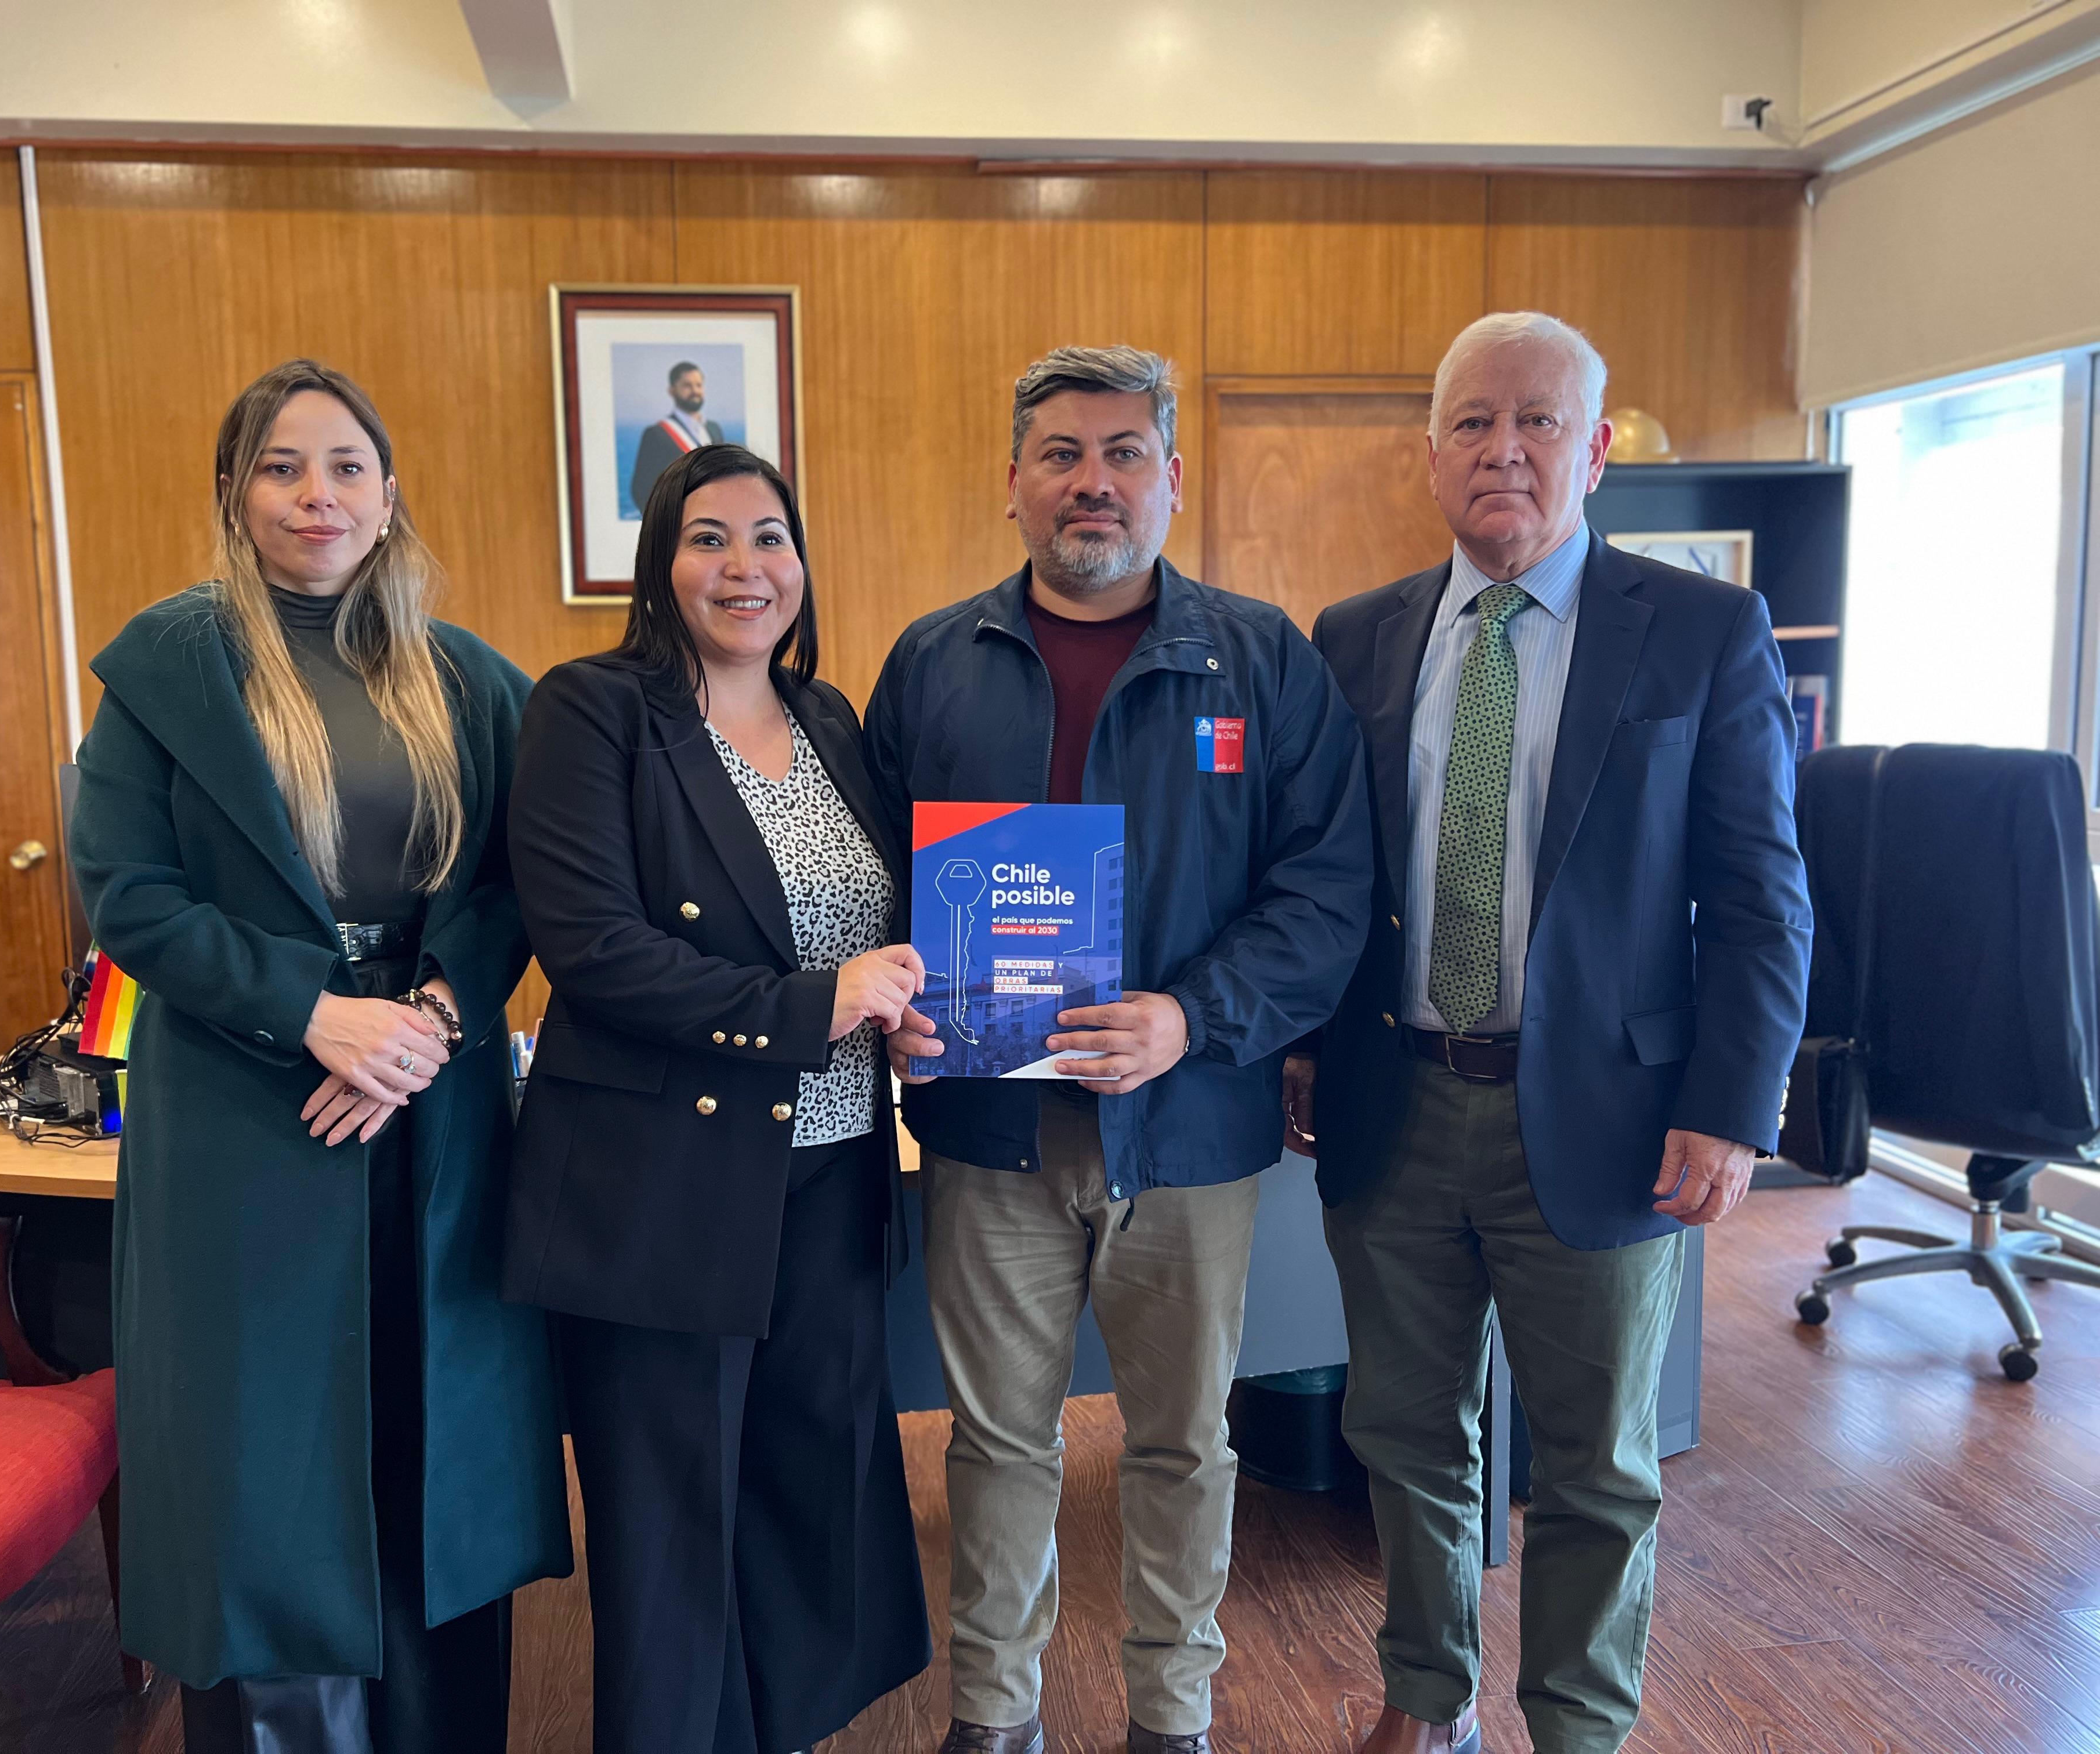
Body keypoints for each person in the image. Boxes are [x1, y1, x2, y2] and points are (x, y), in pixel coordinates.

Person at [1288, 311, 1812, 1754]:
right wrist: (1305, 1044)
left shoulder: (1703, 631)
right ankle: (1426, 1696)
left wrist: (1735, 1104)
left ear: (1595, 450)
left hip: (1614, 1116)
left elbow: (1763, 897)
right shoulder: (1357, 635)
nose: (1503, 450)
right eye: (1472, 422)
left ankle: (1579, 1725)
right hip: (1396, 1102)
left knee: (1595, 1463)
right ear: (1430, 454)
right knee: (1403, 1432)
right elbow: (1331, 874)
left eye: (1537, 421)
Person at [868, 346, 1373, 1754]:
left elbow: (1328, 890)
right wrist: (897, 996)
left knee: (1182, 1442)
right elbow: (871, 879)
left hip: (1191, 1128)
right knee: (997, 1440)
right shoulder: (933, 662)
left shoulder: (1263, 660)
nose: (1093, 482)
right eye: (1062, 454)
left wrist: (1189, 1018)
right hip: (991, 1131)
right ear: (1013, 483)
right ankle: (994, 1717)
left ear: (1170, 478)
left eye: (1123, 453)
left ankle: (1173, 1718)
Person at [68, 360, 569, 1753]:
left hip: (434, 1107)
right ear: (234, 493)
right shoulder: (168, 671)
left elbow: (520, 881)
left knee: (432, 1436)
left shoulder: (467, 678)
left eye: (346, 466)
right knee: (268, 1471)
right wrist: (314, 1013)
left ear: (388, 492)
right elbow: (129, 893)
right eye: (282, 467)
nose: (317, 495)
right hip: (249, 1111)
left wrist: (434, 1018)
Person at [504, 444, 933, 1754]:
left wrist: (909, 1014)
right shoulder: (593, 711)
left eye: (769, 537)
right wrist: (818, 1005)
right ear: (660, 562)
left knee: (809, 1498)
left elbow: (871, 931)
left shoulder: (832, 719)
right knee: (673, 1526)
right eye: (709, 538)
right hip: (665, 1188)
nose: (745, 567)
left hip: (834, 1170)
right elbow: (592, 949)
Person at [630, 360, 726, 510]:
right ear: (672, 391)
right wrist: (664, 521)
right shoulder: (656, 434)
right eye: (687, 385)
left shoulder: (715, 430)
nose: (695, 391)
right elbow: (641, 490)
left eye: (699, 385)